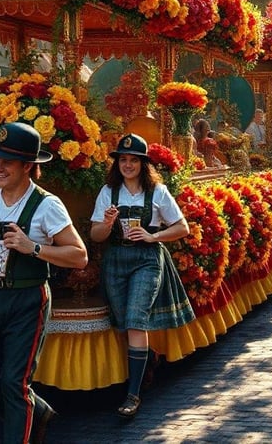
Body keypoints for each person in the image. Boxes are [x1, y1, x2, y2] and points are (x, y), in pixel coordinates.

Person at [0, 122, 88, 444]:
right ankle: (37, 411)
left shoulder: (47, 205)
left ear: (28, 166)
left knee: (13, 384)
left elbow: (79, 255)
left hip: (27, 301)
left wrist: (33, 247)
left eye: (6, 161)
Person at [90, 133, 194, 417]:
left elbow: (182, 227)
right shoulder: (108, 193)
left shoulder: (157, 192)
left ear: (143, 164)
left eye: (133, 160)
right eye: (123, 160)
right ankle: (148, 363)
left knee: (136, 320)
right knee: (124, 322)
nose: (127, 165)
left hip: (147, 259)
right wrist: (108, 223)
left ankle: (132, 394)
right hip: (115, 258)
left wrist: (153, 235)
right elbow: (95, 235)